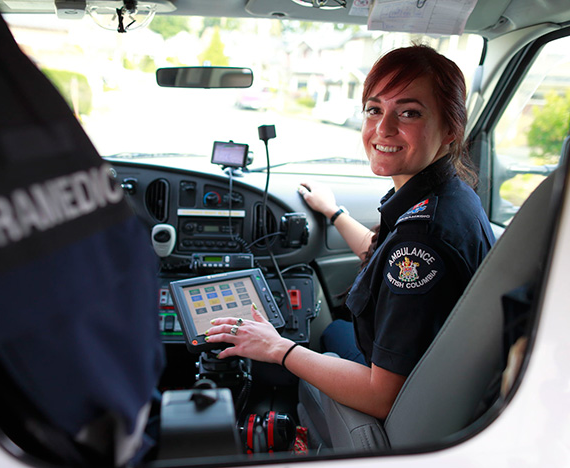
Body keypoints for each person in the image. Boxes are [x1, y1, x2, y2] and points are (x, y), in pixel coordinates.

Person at [204, 44, 495, 423]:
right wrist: (335, 212)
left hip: (410, 408)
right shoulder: (446, 196)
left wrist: (278, 348)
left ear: (451, 129)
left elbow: (383, 397)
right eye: (375, 109)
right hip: (444, 382)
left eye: (409, 112)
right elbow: (385, 256)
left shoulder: (423, 240)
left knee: (328, 336)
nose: (383, 128)